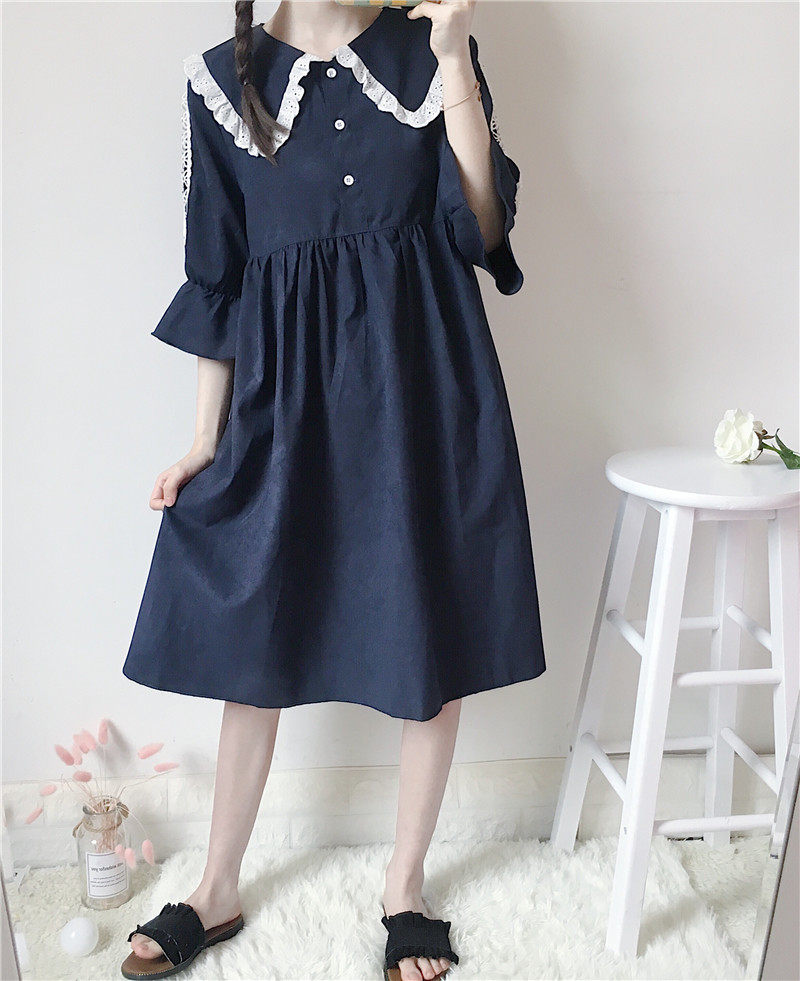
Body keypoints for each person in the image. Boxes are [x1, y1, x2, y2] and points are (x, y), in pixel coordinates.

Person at [121, 2, 545, 978]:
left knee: (424, 625)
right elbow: (219, 274)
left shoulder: (426, 50)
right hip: (285, 399)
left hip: (422, 384)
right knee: (252, 633)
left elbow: (481, 226)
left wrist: (453, 61)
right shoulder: (219, 82)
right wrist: (203, 440)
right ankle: (216, 885)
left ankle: (405, 887)